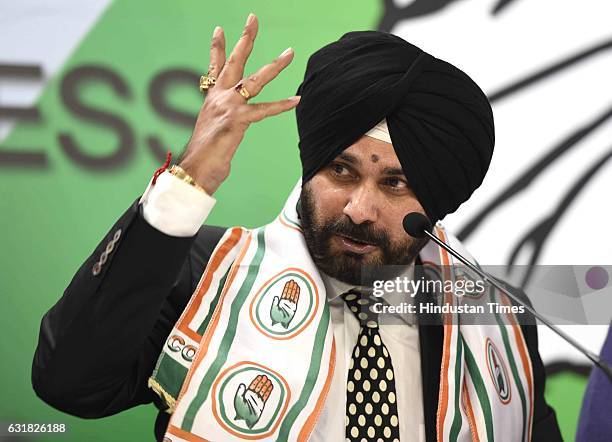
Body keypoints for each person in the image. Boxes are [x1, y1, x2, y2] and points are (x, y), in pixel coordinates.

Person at [31, 13, 562, 442]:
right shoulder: (206, 272)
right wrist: (190, 176)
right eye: (341, 170)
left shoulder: (497, 317)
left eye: (395, 185)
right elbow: (70, 385)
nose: (358, 208)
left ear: (438, 201)